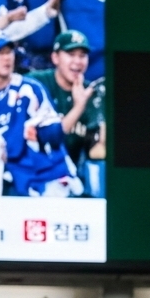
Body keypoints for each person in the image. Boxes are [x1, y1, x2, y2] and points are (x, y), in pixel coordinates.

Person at [0, 31, 82, 196]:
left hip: (43, 175)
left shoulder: (29, 89)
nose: (7, 58)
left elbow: (54, 135)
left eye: (9, 52)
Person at [26, 30, 105, 198]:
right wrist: (79, 107)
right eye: (71, 54)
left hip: (70, 180)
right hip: (32, 175)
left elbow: (96, 151)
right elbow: (46, 138)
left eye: (82, 55)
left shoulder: (92, 93)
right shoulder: (36, 84)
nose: (77, 61)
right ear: (55, 58)